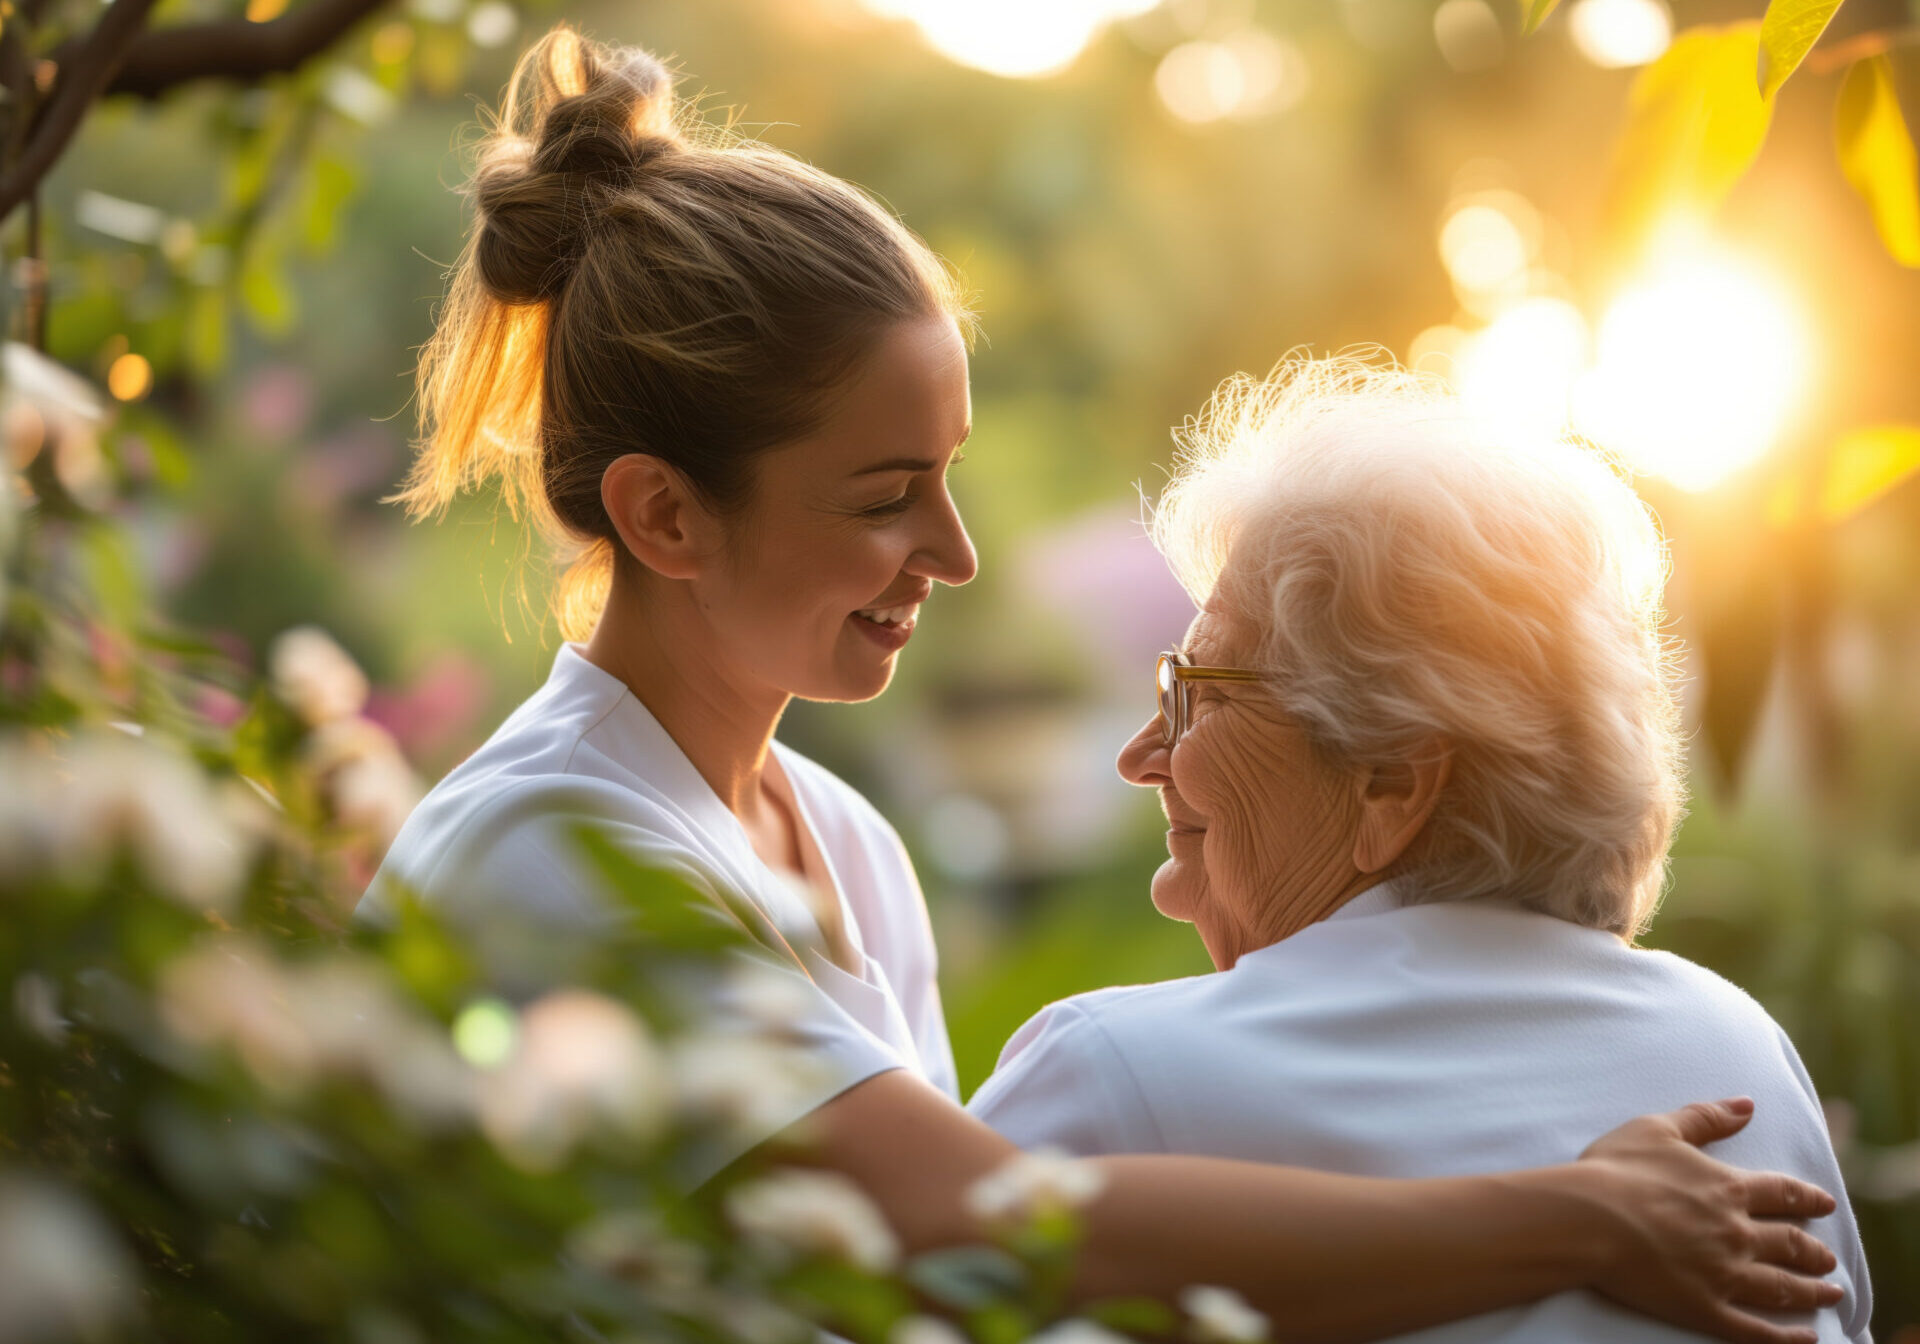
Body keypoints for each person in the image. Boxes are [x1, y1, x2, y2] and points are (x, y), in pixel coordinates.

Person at [358, 25, 1846, 1342]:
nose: (955, 551)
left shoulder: (853, 851)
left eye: (946, 475)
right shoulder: (550, 843)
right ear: (666, 516)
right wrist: (1569, 1217)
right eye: (883, 496)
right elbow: (980, 1235)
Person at [966, 359, 1872, 1341]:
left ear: (1393, 784)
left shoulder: (1117, 1080)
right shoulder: (1734, 1052)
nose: (1140, 756)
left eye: (1200, 695)